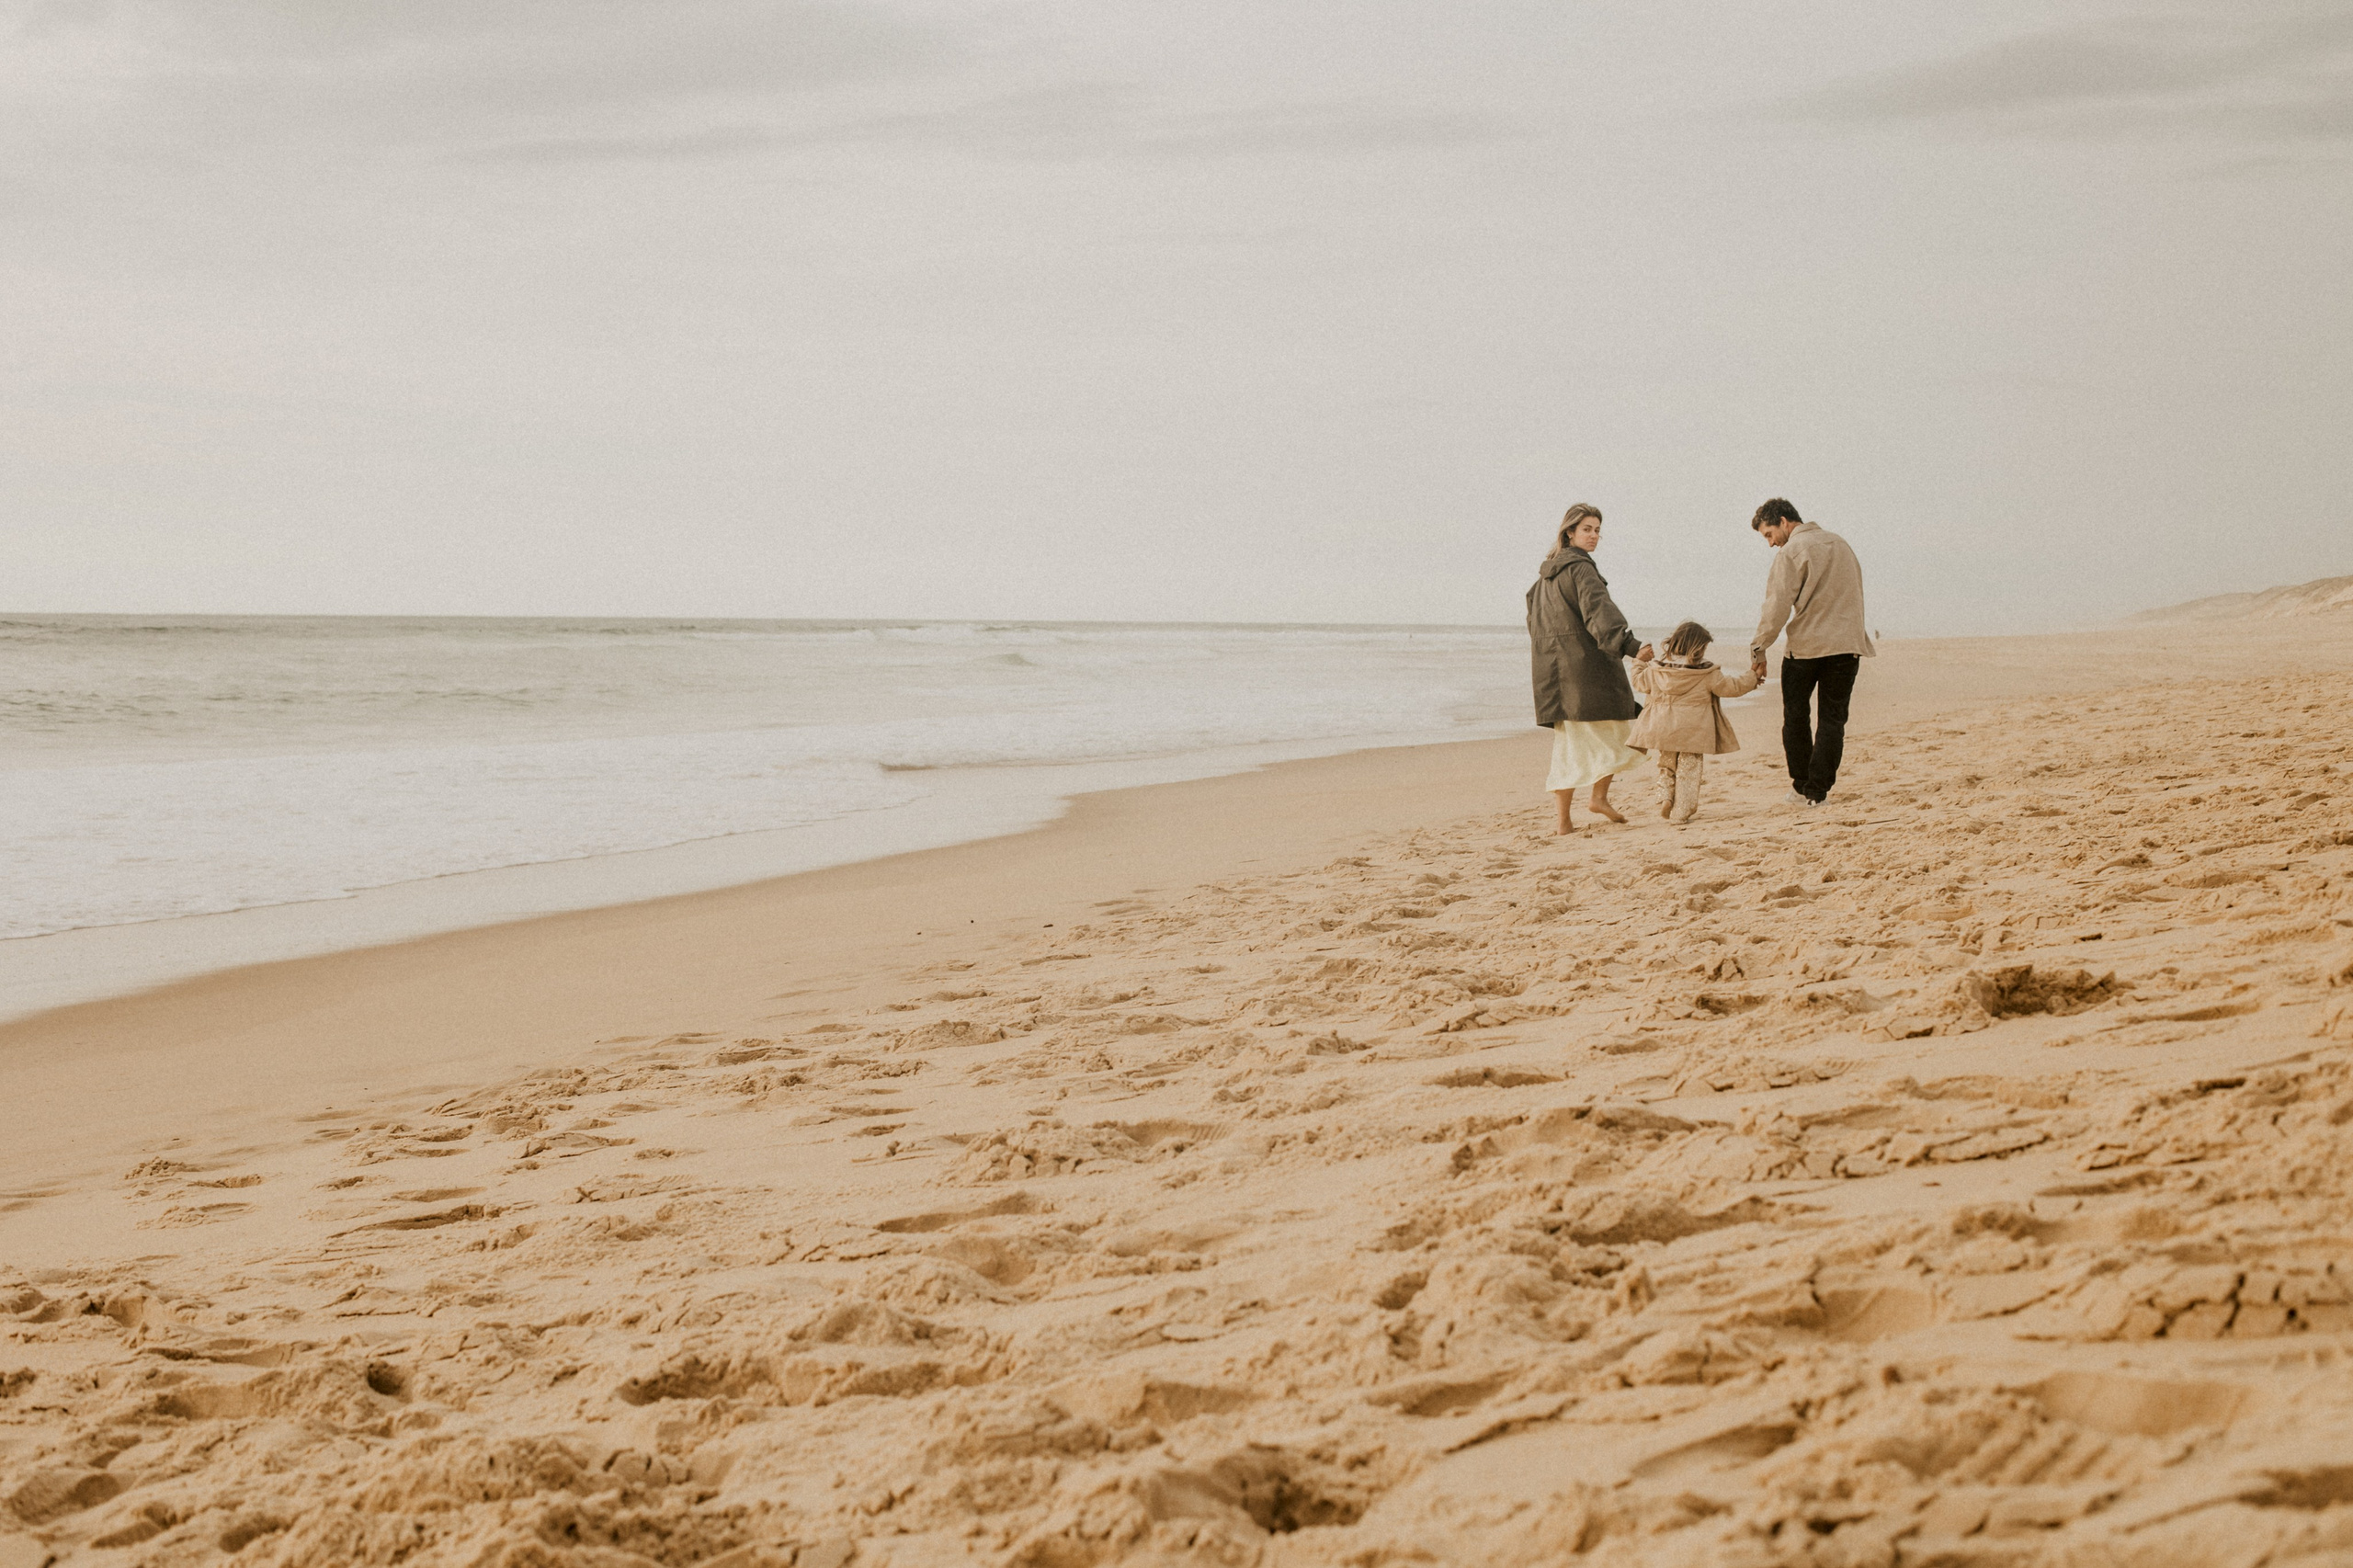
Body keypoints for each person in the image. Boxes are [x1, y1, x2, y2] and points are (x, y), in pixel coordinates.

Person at [1527, 504, 1655, 835]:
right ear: (1570, 532)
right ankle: (1598, 798)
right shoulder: (1581, 570)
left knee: (1568, 747)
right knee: (1622, 734)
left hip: (1553, 676)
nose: (1595, 536)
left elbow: (1534, 625)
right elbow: (1600, 613)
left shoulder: (1542, 580)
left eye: (1598, 530)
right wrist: (1632, 647)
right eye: (1587, 529)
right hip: (1586, 672)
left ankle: (1563, 822)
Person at [1747, 498, 1874, 807]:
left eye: (1768, 534)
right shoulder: (1842, 545)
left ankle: (1802, 786)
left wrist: (1759, 649)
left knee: (1796, 718)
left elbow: (1776, 607)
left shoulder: (1792, 551)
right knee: (1832, 721)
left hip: (1806, 649)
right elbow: (1855, 594)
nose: (1770, 543)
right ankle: (1818, 793)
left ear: (1783, 521)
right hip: (1846, 647)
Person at [1629, 619, 1760, 824]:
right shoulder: (1707, 673)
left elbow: (1638, 682)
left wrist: (1638, 661)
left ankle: (1665, 798)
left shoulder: (1656, 670)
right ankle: (1681, 812)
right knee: (1689, 769)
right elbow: (1731, 687)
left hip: (1663, 727)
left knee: (1666, 764)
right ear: (1698, 647)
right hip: (1693, 731)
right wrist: (1752, 677)